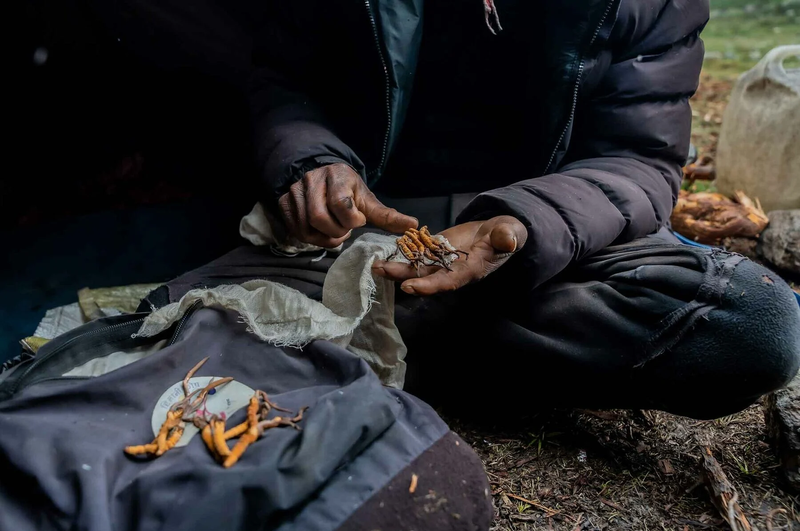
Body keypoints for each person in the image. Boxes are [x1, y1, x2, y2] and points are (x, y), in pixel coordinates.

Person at [247, 0, 800, 420]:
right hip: (359, 227)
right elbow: (280, 83)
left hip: (541, 242)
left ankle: (349, 341)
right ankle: (366, 336)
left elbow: (638, 161)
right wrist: (310, 161)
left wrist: (524, 224)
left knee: (753, 325)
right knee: (200, 299)